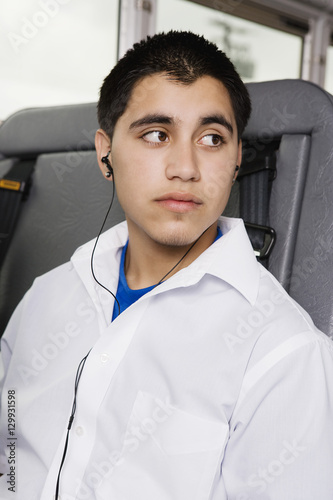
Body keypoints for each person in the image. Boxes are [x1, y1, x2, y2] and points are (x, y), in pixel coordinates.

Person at [0, 30, 332, 500]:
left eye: (212, 138)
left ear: (236, 159)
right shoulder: (48, 295)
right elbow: (10, 454)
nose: (185, 166)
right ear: (105, 152)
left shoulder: (283, 352)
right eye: (156, 134)